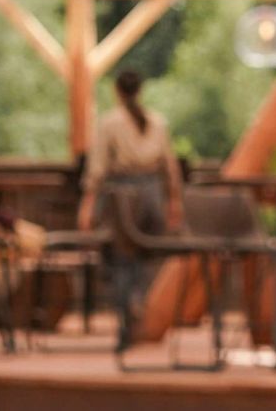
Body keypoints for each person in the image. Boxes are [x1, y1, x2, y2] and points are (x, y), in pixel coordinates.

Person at [77, 68, 184, 349]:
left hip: (123, 197)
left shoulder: (110, 123)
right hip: (151, 195)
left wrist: (88, 204)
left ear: (117, 91)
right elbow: (169, 166)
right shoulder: (157, 122)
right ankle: (136, 301)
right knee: (143, 256)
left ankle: (127, 314)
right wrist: (173, 200)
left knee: (121, 258)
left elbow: (97, 168)